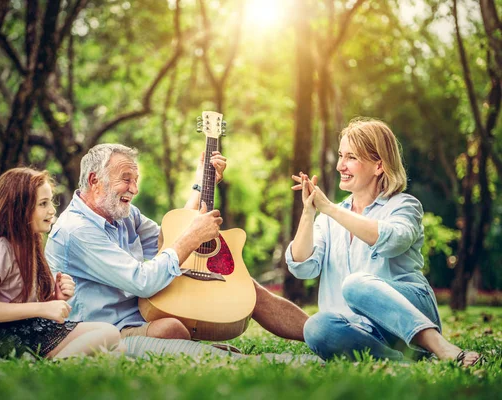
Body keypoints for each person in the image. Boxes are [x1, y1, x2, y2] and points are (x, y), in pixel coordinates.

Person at [45, 144, 308, 342]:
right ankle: (218, 356)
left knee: (245, 287)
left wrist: (203, 184)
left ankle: (320, 335)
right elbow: (142, 280)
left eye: (135, 180)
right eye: (126, 179)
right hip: (106, 332)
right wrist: (192, 236)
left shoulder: (124, 214)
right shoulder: (76, 231)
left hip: (142, 314)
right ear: (95, 181)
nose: (134, 189)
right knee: (170, 329)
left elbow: (170, 238)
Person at [286, 118, 483, 367]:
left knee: (356, 284)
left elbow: (392, 241)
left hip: (413, 313)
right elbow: (303, 267)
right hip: (367, 332)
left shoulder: (403, 205)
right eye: (340, 155)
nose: (339, 166)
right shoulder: (328, 219)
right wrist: (309, 212)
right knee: (316, 327)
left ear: (378, 165)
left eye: (351, 157)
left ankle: (440, 347)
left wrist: (329, 209)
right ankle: (401, 362)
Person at [0, 168, 122, 359]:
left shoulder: (29, 246)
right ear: (18, 209)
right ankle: (51, 367)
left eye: (50, 202)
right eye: (43, 204)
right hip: (4, 337)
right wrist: (43, 309)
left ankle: (65, 362)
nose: (52, 210)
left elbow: (21, 303)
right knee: (108, 335)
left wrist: (54, 299)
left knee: (117, 347)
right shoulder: (0, 248)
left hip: (28, 329)